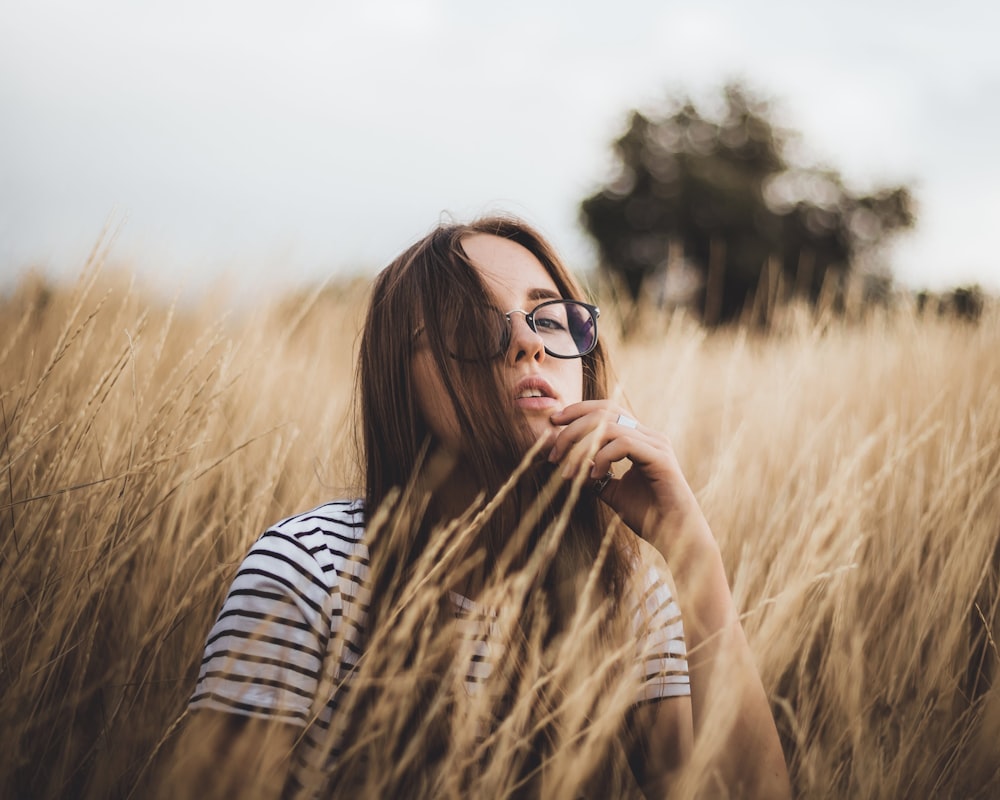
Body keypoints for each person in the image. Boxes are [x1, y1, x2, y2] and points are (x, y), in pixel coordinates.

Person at [171, 215, 791, 798]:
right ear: (400, 379)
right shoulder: (309, 575)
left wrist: (693, 559)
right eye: (469, 324)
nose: (527, 342)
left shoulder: (628, 594)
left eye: (548, 318)